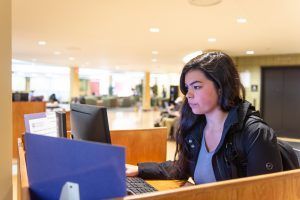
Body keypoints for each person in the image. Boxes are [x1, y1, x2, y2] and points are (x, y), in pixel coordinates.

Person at [126, 51, 283, 184]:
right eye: (187, 88)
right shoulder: (197, 127)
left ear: (221, 87)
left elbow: (264, 193)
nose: (188, 94)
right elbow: (181, 168)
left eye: (197, 87)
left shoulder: (255, 133)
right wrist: (140, 169)